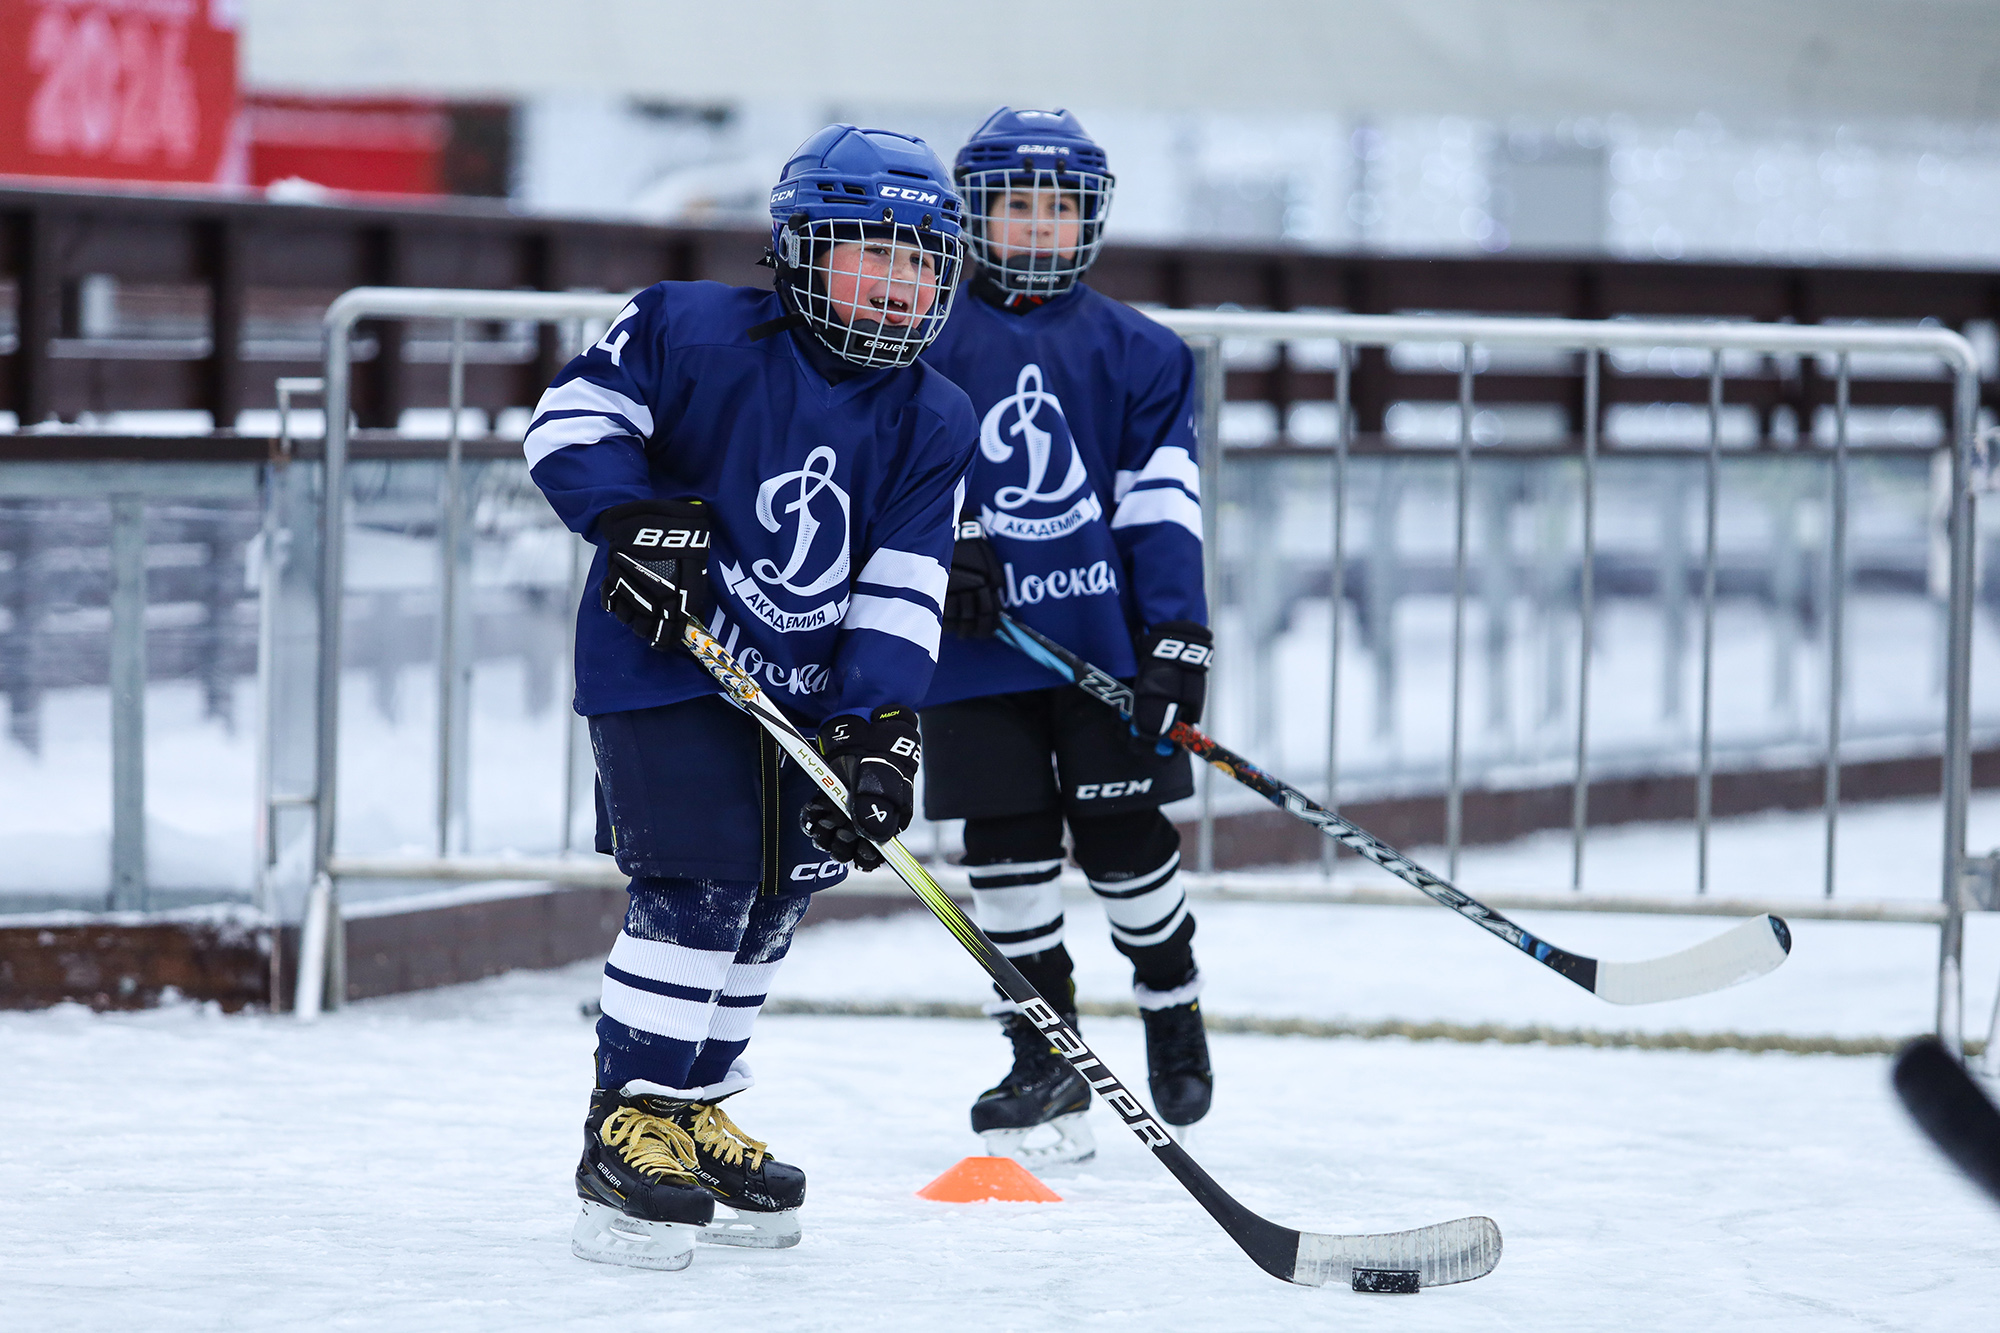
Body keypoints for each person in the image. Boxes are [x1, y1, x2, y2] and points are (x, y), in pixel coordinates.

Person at [525, 123, 976, 1269]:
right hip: (665, 667)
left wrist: (880, 723)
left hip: (808, 693)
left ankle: (690, 1103)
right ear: (798, 249)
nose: (901, 282)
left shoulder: (936, 416)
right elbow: (570, 424)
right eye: (872, 252)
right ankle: (626, 1118)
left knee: (778, 893)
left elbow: (902, 581)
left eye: (923, 260)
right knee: (697, 884)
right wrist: (627, 518)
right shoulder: (686, 327)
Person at [916, 108, 1213, 1165]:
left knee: (1127, 849)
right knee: (1003, 851)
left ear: (1087, 219)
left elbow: (1160, 500)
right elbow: (900, 463)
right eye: (1016, 206)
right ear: (973, 214)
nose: (1037, 227)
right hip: (973, 652)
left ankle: (1170, 1002)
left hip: (1099, 647)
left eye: (1058, 208)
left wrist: (1176, 634)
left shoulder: (1140, 351)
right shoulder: (926, 333)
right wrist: (949, 539)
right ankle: (1042, 1055)